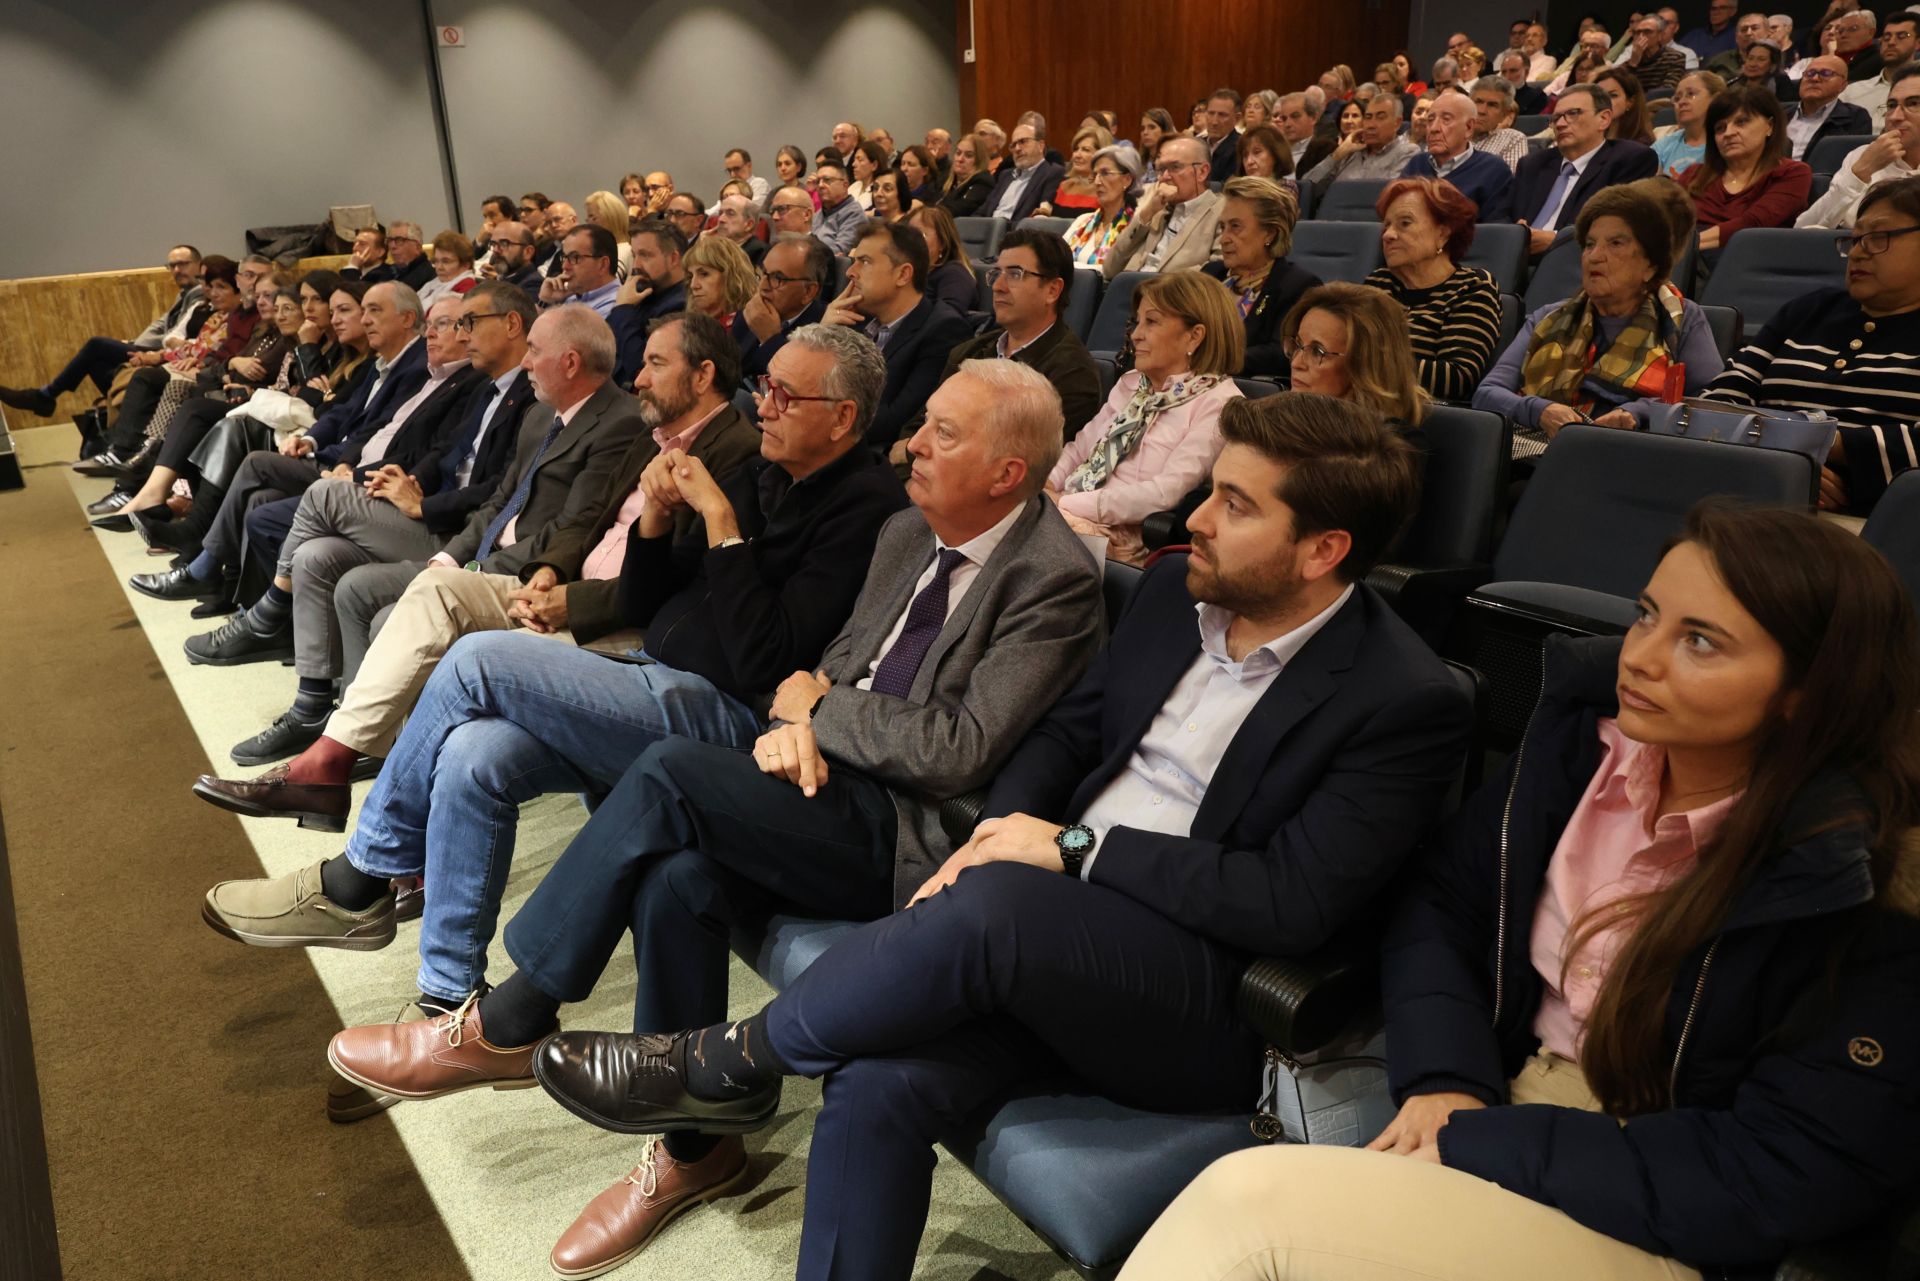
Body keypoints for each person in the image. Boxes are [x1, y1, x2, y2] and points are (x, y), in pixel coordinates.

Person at [522, 392, 1472, 1281]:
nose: (1198, 520)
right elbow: (1066, 735)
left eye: (1234, 503)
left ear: (1322, 550)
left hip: (1197, 990)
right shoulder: (1178, 592)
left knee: (1004, 903)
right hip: (1043, 931)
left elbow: (1288, 900)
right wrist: (995, 833)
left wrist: (1066, 853)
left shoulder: (1402, 698)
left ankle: (720, 1061)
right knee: (873, 1082)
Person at [312, 358, 1106, 1274]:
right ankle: (697, 1148)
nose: (913, 444)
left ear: (1008, 473)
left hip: (909, 834)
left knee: (670, 775)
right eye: (922, 422)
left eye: (943, 434)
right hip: (824, 782)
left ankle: (515, 1014)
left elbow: (958, 748)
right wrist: (793, 718)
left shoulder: (1054, 576)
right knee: (674, 873)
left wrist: (815, 713)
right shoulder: (905, 532)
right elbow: (821, 670)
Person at [1123, 503, 1920, 1281]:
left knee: (1248, 1210)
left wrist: (1484, 1141)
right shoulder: (1587, 742)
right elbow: (1446, 901)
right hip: (1500, 1098)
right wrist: (1447, 1077)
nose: (1638, 656)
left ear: (1805, 692)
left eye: (1701, 642)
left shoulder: (1858, 878)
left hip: (1664, 1208)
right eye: (1647, 616)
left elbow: (1782, 1168)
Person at [1708, 175, 1920, 511]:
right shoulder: (1810, 309)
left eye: (1878, 237)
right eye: (1855, 239)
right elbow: (1719, 399)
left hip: (1882, 523)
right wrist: (1785, 466)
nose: (1858, 253)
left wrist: (1805, 452)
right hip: (1755, 493)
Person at [1475, 185, 1723, 443]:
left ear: (1651, 265)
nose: (1594, 256)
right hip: (1542, 452)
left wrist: (1637, 413)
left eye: (1615, 243)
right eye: (1589, 244)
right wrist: (1540, 410)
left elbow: (1708, 403)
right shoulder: (1548, 318)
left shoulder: (1680, 319)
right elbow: (1487, 393)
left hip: (1638, 456)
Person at [1048, 271, 1244, 562]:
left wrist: (1066, 503)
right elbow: (1079, 450)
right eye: (1137, 322)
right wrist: (1046, 486)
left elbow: (1166, 492)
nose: (1135, 334)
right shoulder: (1131, 384)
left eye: (1151, 322)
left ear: (1195, 335)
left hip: (1122, 540)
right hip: (1068, 511)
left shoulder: (1220, 404)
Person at [820, 220, 975, 456]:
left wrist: (816, 419)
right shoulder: (853, 320)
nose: (850, 272)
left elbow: (894, 421)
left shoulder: (943, 331)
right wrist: (824, 336)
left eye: (865, 261)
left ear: (903, 274)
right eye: (853, 261)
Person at [934, 228, 1104, 441]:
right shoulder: (968, 352)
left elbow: (1022, 458)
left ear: (1052, 290)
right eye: (996, 274)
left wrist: (913, 454)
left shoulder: (1072, 375)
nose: (997, 286)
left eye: (1015, 274)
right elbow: (924, 423)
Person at [0, 244, 203, 420]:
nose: (177, 270)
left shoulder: (201, 295)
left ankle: (45, 396)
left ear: (199, 265)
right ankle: (124, 417)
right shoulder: (184, 295)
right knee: (97, 364)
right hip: (154, 350)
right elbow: (161, 326)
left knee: (96, 345)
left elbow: (179, 335)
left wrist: (144, 349)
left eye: (183, 264)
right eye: (172, 266)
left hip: (173, 358)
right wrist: (134, 342)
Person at [1364, 178, 1505, 401]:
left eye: (1404, 223)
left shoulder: (1473, 287)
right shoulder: (1379, 283)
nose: (1387, 235)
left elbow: (1456, 378)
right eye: (1386, 225)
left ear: (1443, 234)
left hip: (1426, 417)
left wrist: (1364, 363)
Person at [1498, 84, 1659, 254]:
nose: (1560, 124)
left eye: (1572, 114)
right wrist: (1515, 234)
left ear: (1604, 119)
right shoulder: (1533, 164)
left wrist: (1556, 240)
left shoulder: (1629, 160)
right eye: (1556, 117)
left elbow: (1619, 227)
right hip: (1516, 259)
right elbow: (1501, 216)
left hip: (1576, 262)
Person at [1196, 176, 1321, 378]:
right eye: (1223, 227)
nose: (1224, 238)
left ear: (1270, 233)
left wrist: (1211, 360)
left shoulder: (1297, 285)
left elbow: (1281, 353)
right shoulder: (1211, 275)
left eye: (1235, 226)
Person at [1278, 283, 1430, 433]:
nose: (1296, 363)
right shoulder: (1279, 422)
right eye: (1298, 344)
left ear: (1365, 366)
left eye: (1318, 352)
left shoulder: (1389, 444)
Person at [1679, 84, 1814, 252]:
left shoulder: (1793, 173)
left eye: (1741, 122)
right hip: (1686, 263)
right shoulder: (1693, 174)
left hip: (1749, 263)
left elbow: (1752, 224)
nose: (1728, 133)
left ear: (1769, 126)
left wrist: (1680, 249)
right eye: (1720, 128)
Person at [1800, 67, 1920, 226]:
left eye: (1913, 103)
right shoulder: (1863, 156)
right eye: (1891, 105)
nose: (1895, 117)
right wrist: (1861, 171)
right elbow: (1804, 229)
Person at [1104, 136, 1223, 277]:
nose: (1165, 176)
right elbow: (1109, 269)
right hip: (1127, 290)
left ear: (1202, 172)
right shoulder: (1155, 211)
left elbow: (1218, 272)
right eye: (1160, 169)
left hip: (1174, 294)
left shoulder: (1222, 210)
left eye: (1175, 167)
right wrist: (1147, 213)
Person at [733, 233, 831, 382]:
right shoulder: (753, 310)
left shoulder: (824, 329)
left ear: (808, 292)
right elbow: (729, 369)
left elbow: (797, 384)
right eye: (763, 274)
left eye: (777, 278)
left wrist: (770, 339)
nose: (763, 286)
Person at [1402, 87, 1516, 214]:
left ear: (1468, 128)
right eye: (1430, 120)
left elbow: (1496, 230)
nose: (1433, 128)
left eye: (1446, 119)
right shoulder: (1416, 164)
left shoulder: (1494, 170)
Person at [607, 219, 690, 385]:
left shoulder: (682, 304)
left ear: (674, 258)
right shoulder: (643, 292)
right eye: (634, 255)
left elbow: (640, 366)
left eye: (645, 255)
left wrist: (623, 308)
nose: (636, 265)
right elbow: (604, 346)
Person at [1308, 94, 1421, 185]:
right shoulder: (1350, 152)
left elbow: (1386, 195)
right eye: (1368, 117)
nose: (1371, 125)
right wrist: (1338, 153)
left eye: (1380, 117)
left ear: (1397, 123)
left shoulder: (1408, 152)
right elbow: (1308, 186)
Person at [1062, 143, 1139, 268]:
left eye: (1105, 173)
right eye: (1095, 175)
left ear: (1127, 179)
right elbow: (1057, 262)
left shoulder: (1135, 227)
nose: (1097, 182)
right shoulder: (1082, 221)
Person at [1787, 55, 1873, 160]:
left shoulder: (1855, 117)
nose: (1814, 78)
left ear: (1843, 85)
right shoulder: (1779, 112)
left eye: (1826, 73)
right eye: (1810, 73)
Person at [982, 120, 1065, 224]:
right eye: (1013, 145)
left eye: (1023, 142)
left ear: (1041, 145)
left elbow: (1041, 216)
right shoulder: (1005, 175)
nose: (1017, 149)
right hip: (987, 232)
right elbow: (984, 210)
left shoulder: (1052, 173)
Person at [1841, 12, 1918, 122]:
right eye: (1886, 37)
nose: (1891, 42)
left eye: (1901, 36)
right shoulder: (1851, 92)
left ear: (1918, 43)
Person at [903, 204, 976, 316]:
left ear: (942, 242)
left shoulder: (955, 273)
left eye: (920, 235)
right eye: (908, 234)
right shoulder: (907, 272)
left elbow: (947, 319)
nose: (910, 241)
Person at [1655, 70, 1730, 174]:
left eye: (1691, 94)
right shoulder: (1666, 143)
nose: (1681, 102)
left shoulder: (1728, 142)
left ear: (1716, 99)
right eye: (1677, 98)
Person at [1034, 124, 1111, 217]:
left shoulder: (1106, 190)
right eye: (1076, 149)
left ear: (1101, 155)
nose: (1077, 155)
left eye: (1085, 150)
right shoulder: (1064, 186)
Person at [682, 234, 755, 328]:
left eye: (704, 274)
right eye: (691, 276)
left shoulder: (749, 326)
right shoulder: (688, 326)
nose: (693, 285)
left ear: (730, 276)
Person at [1470, 77, 1532, 170]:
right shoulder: (1450, 133)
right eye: (1478, 102)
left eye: (1492, 105)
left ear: (1504, 115)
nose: (1482, 111)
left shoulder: (1513, 139)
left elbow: (1510, 180)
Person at [1622, 14, 1691, 91]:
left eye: (1647, 32)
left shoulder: (1675, 58)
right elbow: (1625, 91)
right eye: (1638, 32)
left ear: (1660, 35)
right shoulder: (1629, 62)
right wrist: (1633, 64)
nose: (1641, 37)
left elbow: (1668, 90)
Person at [810, 160, 865, 253]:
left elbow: (840, 252)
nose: (820, 185)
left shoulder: (854, 214)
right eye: (818, 181)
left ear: (845, 185)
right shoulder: (818, 213)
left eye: (827, 180)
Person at [1595, 66, 1657, 145]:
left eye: (1613, 95)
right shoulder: (1591, 138)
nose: (1603, 101)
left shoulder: (1641, 144)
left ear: (1630, 102)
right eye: (1599, 96)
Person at [937, 133, 995, 218]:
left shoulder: (983, 182)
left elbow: (960, 210)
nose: (960, 159)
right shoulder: (946, 180)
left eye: (968, 155)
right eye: (958, 153)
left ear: (979, 160)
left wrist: (929, 213)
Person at [416, 231, 477, 309]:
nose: (439, 267)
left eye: (446, 261)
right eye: (436, 261)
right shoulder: (434, 283)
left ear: (465, 265)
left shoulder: (466, 288)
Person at [1200, 87, 1245, 179]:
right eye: (1211, 113)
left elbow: (1230, 187)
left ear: (1237, 118)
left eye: (1222, 115)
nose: (1214, 122)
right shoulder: (1197, 144)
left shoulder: (1242, 147)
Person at [1138, 107, 1177, 181]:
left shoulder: (1174, 162)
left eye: (1152, 127)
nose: (1145, 132)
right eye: (1143, 128)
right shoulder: (1139, 162)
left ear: (1165, 131)